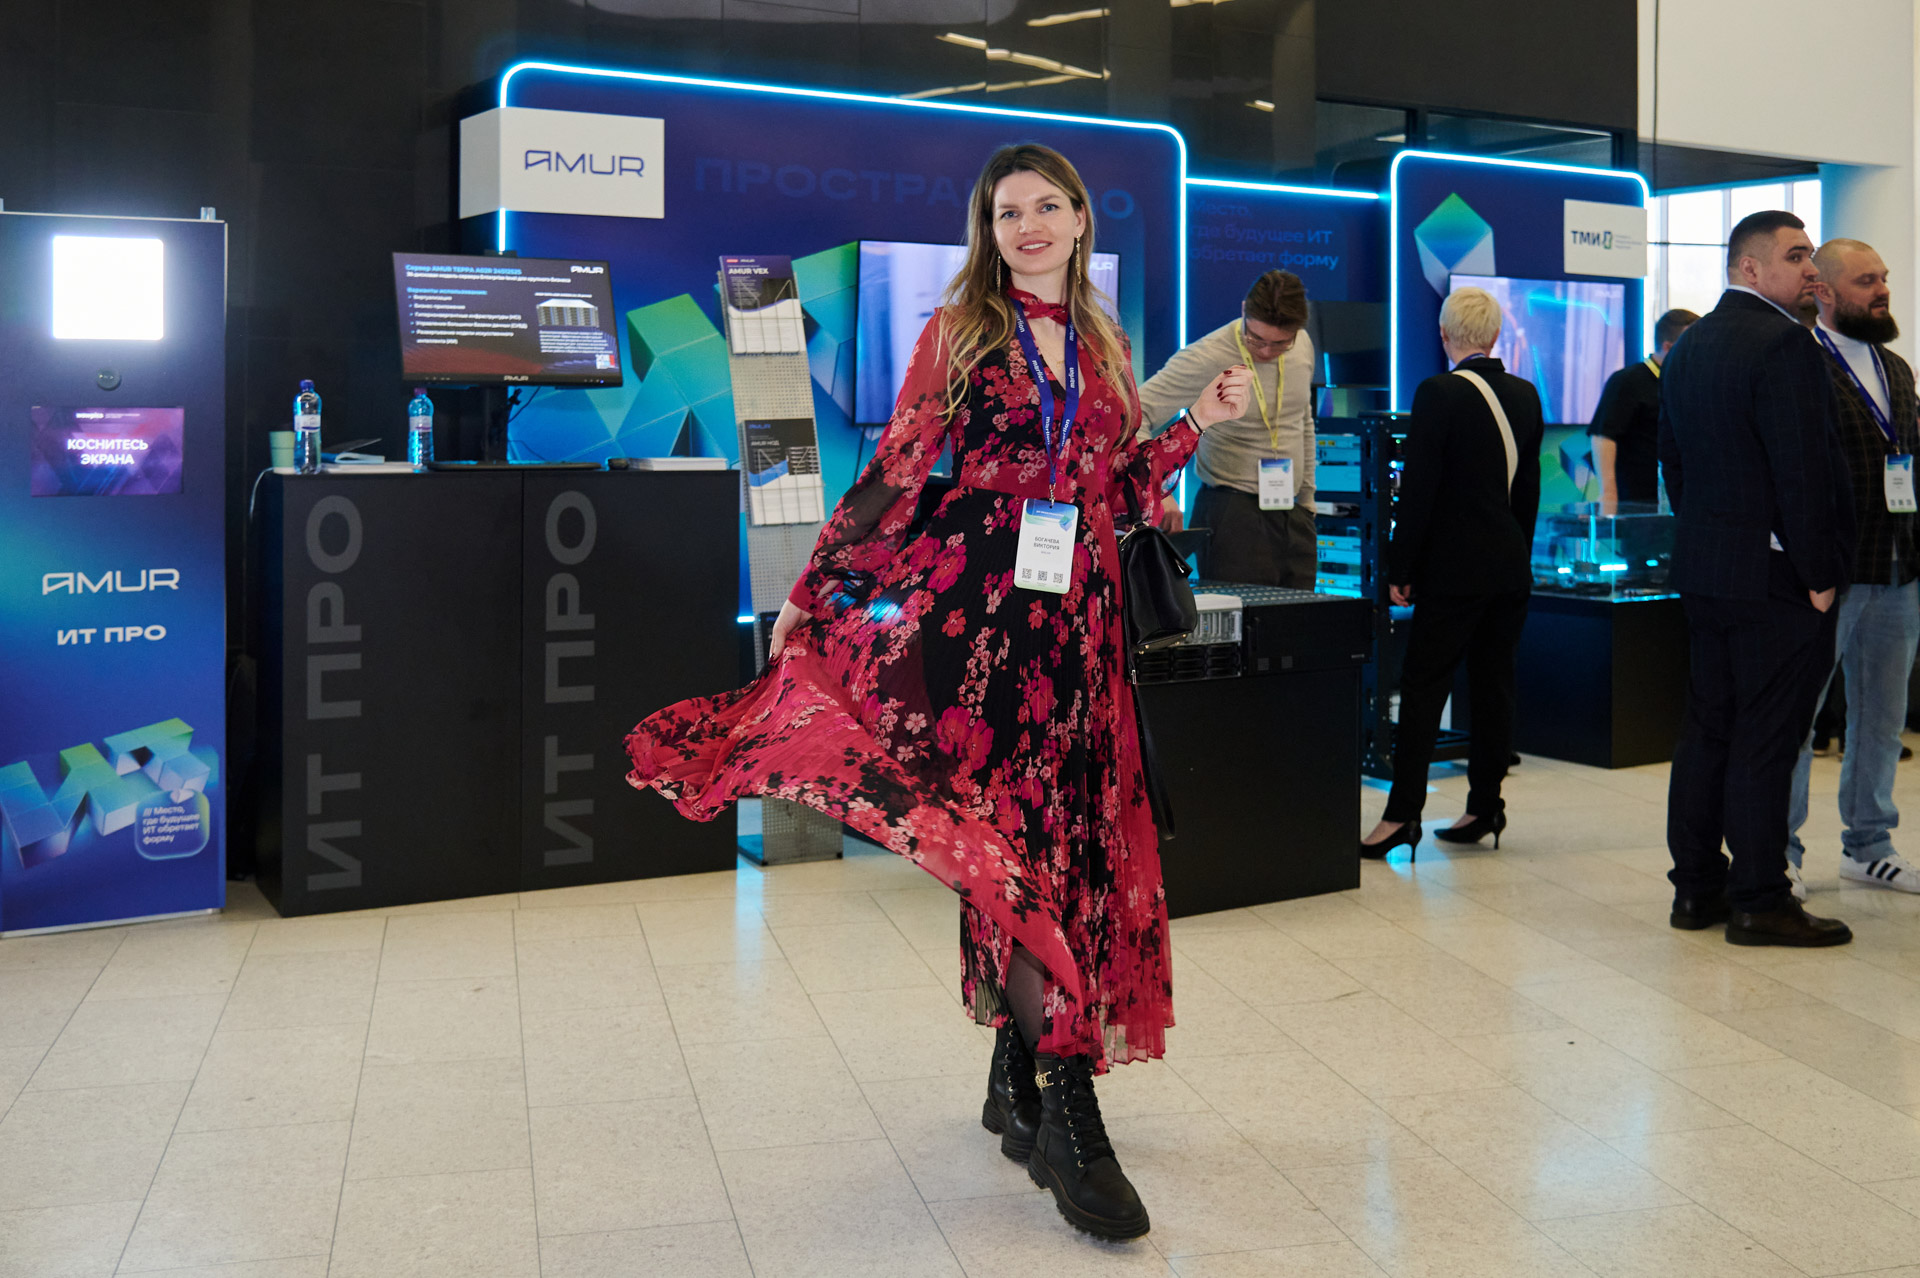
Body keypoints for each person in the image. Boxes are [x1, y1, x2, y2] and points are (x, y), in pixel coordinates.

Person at [625, 143, 1251, 1240]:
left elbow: (1112, 485)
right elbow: (898, 471)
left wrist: (1197, 427)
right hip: (985, 629)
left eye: (1047, 206)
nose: (1029, 226)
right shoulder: (961, 329)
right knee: (1010, 849)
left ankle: (1015, 1077)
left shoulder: (1102, 343)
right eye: (1008, 212)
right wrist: (816, 587)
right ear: (988, 230)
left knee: (1066, 850)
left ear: (1079, 218)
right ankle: (1067, 1109)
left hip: (1082, 634)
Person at [1658, 209, 1856, 947]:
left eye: (1811, 256)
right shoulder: (1785, 343)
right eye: (1796, 256)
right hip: (1776, 580)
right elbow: (1803, 469)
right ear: (1749, 267)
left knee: (1708, 729)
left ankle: (1695, 889)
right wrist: (1819, 573)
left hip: (1708, 569)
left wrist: (1712, 535)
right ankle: (1760, 900)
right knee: (1766, 739)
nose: (1811, 269)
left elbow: (1674, 461)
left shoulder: (1690, 344)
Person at [1360, 286, 1542, 859]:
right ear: (1495, 335)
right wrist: (1516, 555)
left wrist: (1400, 566)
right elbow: (1528, 492)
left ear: (1444, 335)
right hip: (1508, 568)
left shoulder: (1438, 393)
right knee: (1494, 687)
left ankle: (1401, 816)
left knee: (1422, 689)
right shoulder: (1526, 395)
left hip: (1454, 572)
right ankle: (1485, 805)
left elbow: (1419, 492)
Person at [1784, 238, 1920, 897]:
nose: (1883, 288)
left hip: (1898, 568)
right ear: (1827, 292)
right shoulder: (1801, 362)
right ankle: (1778, 850)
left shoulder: (1896, 367)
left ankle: (1868, 846)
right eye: (1867, 280)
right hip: (1832, 572)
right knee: (1798, 719)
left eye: (1884, 277)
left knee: (1882, 718)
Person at [1135, 270, 1318, 587]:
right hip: (1232, 513)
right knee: (1244, 617)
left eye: (1280, 343)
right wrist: (1156, 490)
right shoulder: (1207, 356)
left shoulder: (1302, 345)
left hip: (1294, 513)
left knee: (1300, 616)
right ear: (1244, 310)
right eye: (1256, 339)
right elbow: (1135, 415)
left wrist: (1308, 503)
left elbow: (1302, 421)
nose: (1266, 351)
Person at [1589, 307, 1699, 512]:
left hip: (1683, 498)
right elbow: (1603, 437)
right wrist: (1609, 493)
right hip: (1637, 502)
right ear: (1668, 347)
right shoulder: (1628, 381)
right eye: (1692, 347)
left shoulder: (1688, 383)